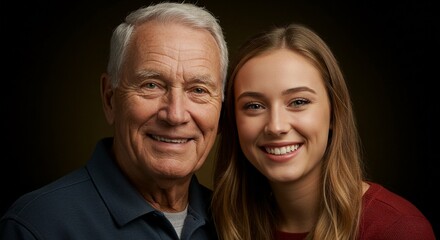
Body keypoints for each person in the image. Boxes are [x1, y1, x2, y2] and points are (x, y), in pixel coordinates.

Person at [1, 2, 228, 240]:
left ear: (221, 111)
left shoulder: (233, 221)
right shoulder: (37, 226)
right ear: (110, 99)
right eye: (151, 85)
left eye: (199, 90)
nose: (175, 115)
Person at [211, 23, 435, 240]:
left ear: (335, 113)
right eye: (254, 106)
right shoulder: (217, 224)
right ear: (232, 120)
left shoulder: (399, 230)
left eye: (298, 102)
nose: (276, 126)